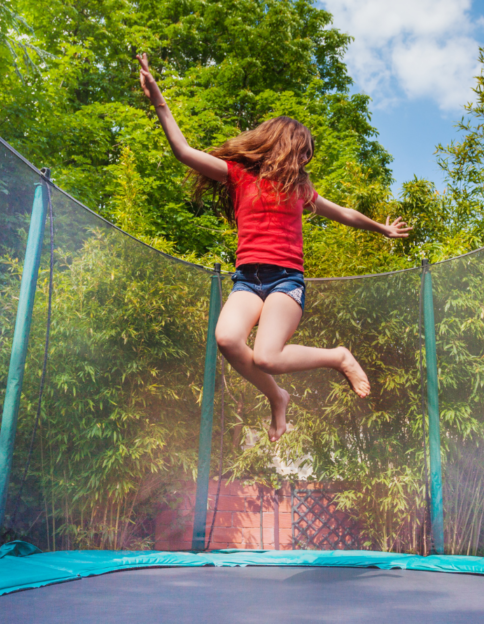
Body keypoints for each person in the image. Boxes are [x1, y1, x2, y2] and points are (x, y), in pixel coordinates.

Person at [136, 53, 411, 442]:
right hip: (247, 279)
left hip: (285, 280)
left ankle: (338, 356)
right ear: (282, 144)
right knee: (228, 340)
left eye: (307, 157)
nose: (304, 160)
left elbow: (344, 212)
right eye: (301, 152)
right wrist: (159, 102)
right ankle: (277, 397)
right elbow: (183, 151)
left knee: (267, 355)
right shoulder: (239, 175)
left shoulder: (301, 190)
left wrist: (380, 229)